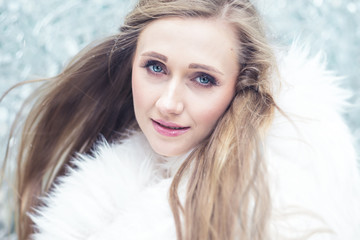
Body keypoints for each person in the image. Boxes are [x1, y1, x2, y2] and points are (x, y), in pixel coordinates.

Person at [2, 0, 360, 239]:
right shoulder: (105, 176)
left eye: (203, 78)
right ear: (130, 64)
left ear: (242, 87)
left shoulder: (280, 208)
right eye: (155, 67)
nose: (169, 103)